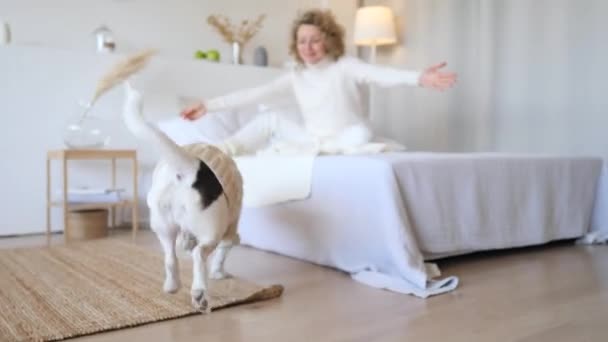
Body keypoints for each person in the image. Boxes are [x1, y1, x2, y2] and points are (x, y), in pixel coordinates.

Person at [181, 9, 456, 156]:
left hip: (348, 137)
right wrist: (208, 105)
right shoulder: (296, 75)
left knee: (360, 133)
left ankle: (337, 149)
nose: (308, 47)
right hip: (313, 140)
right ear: (295, 45)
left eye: (315, 40)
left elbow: (381, 75)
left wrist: (420, 77)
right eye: (302, 41)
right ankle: (222, 152)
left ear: (328, 40)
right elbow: (254, 93)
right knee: (270, 119)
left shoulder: (345, 67)